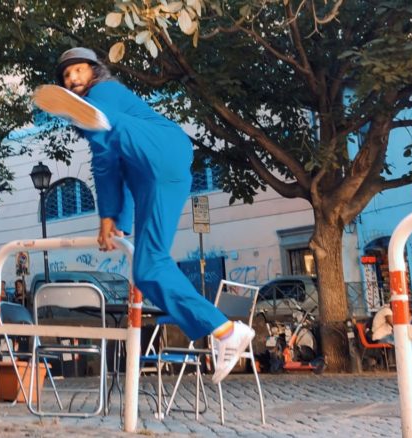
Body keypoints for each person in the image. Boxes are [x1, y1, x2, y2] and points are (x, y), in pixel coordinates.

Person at [32, 47, 254, 384]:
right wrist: (119, 222)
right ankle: (224, 331)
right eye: (66, 75)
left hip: (162, 144)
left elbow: (105, 164)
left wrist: (107, 215)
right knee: (148, 269)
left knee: (105, 132)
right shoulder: (93, 120)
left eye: (79, 70)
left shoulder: (107, 90)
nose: (73, 78)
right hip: (161, 178)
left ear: (94, 72)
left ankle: (103, 121)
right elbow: (120, 171)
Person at [371, 306, 412, 370]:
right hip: (381, 337)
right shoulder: (387, 311)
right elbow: (395, 326)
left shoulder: (393, 313)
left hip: (390, 336)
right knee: (410, 340)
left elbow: (404, 327)